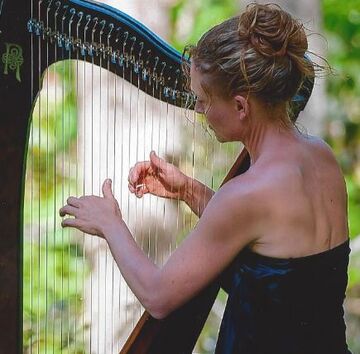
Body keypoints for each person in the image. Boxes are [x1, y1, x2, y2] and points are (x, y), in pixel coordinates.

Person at [60, 3, 352, 353]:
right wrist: (188, 190)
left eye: (202, 100)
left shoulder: (246, 195)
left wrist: (111, 224)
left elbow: (158, 296)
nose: (199, 110)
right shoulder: (321, 156)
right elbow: (278, 267)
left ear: (242, 107)